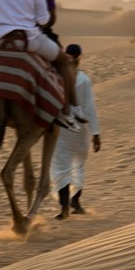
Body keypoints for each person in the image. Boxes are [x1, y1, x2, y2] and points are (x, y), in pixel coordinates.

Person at [52, 44, 102, 217]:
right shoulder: (84, 80)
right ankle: (76, 201)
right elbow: (89, 108)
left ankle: (64, 207)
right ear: (80, 58)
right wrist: (96, 133)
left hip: (61, 127)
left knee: (60, 167)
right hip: (80, 130)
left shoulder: (56, 78)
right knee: (78, 165)